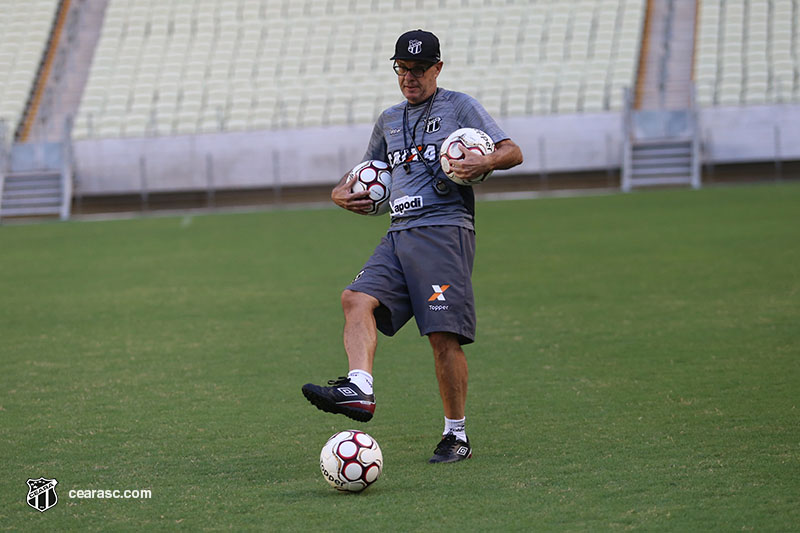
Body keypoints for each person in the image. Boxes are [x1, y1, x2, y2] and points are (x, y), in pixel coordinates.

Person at [302, 29, 523, 463]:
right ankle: (359, 389)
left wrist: (486, 161)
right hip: (398, 231)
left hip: (444, 230)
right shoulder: (388, 119)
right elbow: (366, 171)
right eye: (402, 68)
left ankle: (456, 435)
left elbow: (512, 151)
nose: (409, 77)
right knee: (355, 298)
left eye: (419, 69)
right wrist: (338, 193)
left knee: (442, 337)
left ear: (437, 68)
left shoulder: (459, 106)